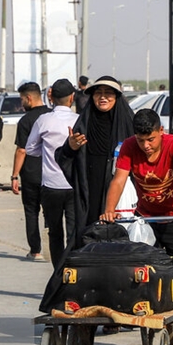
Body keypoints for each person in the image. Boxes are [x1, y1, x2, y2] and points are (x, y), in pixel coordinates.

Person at [101, 108, 173, 300]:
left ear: (161, 131)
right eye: (141, 140)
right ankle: (147, 302)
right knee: (144, 263)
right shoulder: (129, 146)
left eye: (151, 139)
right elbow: (119, 180)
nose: (146, 145)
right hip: (147, 216)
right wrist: (109, 210)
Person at [59, 75, 135, 244]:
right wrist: (71, 147)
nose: (102, 97)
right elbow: (64, 157)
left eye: (108, 93)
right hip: (91, 187)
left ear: (117, 97)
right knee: (90, 234)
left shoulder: (129, 122)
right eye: (98, 93)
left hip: (121, 186)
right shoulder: (85, 121)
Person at [25, 79, 79, 267]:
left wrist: (48, 153)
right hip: (74, 184)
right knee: (74, 232)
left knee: (55, 232)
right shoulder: (78, 120)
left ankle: (58, 272)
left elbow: (30, 149)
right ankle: (73, 272)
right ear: (72, 97)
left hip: (51, 185)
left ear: (52, 98)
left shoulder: (44, 120)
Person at [10, 82, 51, 262]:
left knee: (31, 211)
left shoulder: (25, 121)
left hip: (31, 174)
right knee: (52, 212)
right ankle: (54, 246)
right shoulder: (52, 116)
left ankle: (36, 251)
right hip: (52, 173)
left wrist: (14, 176)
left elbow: (21, 150)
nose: (21, 104)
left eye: (21, 100)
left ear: (29, 98)